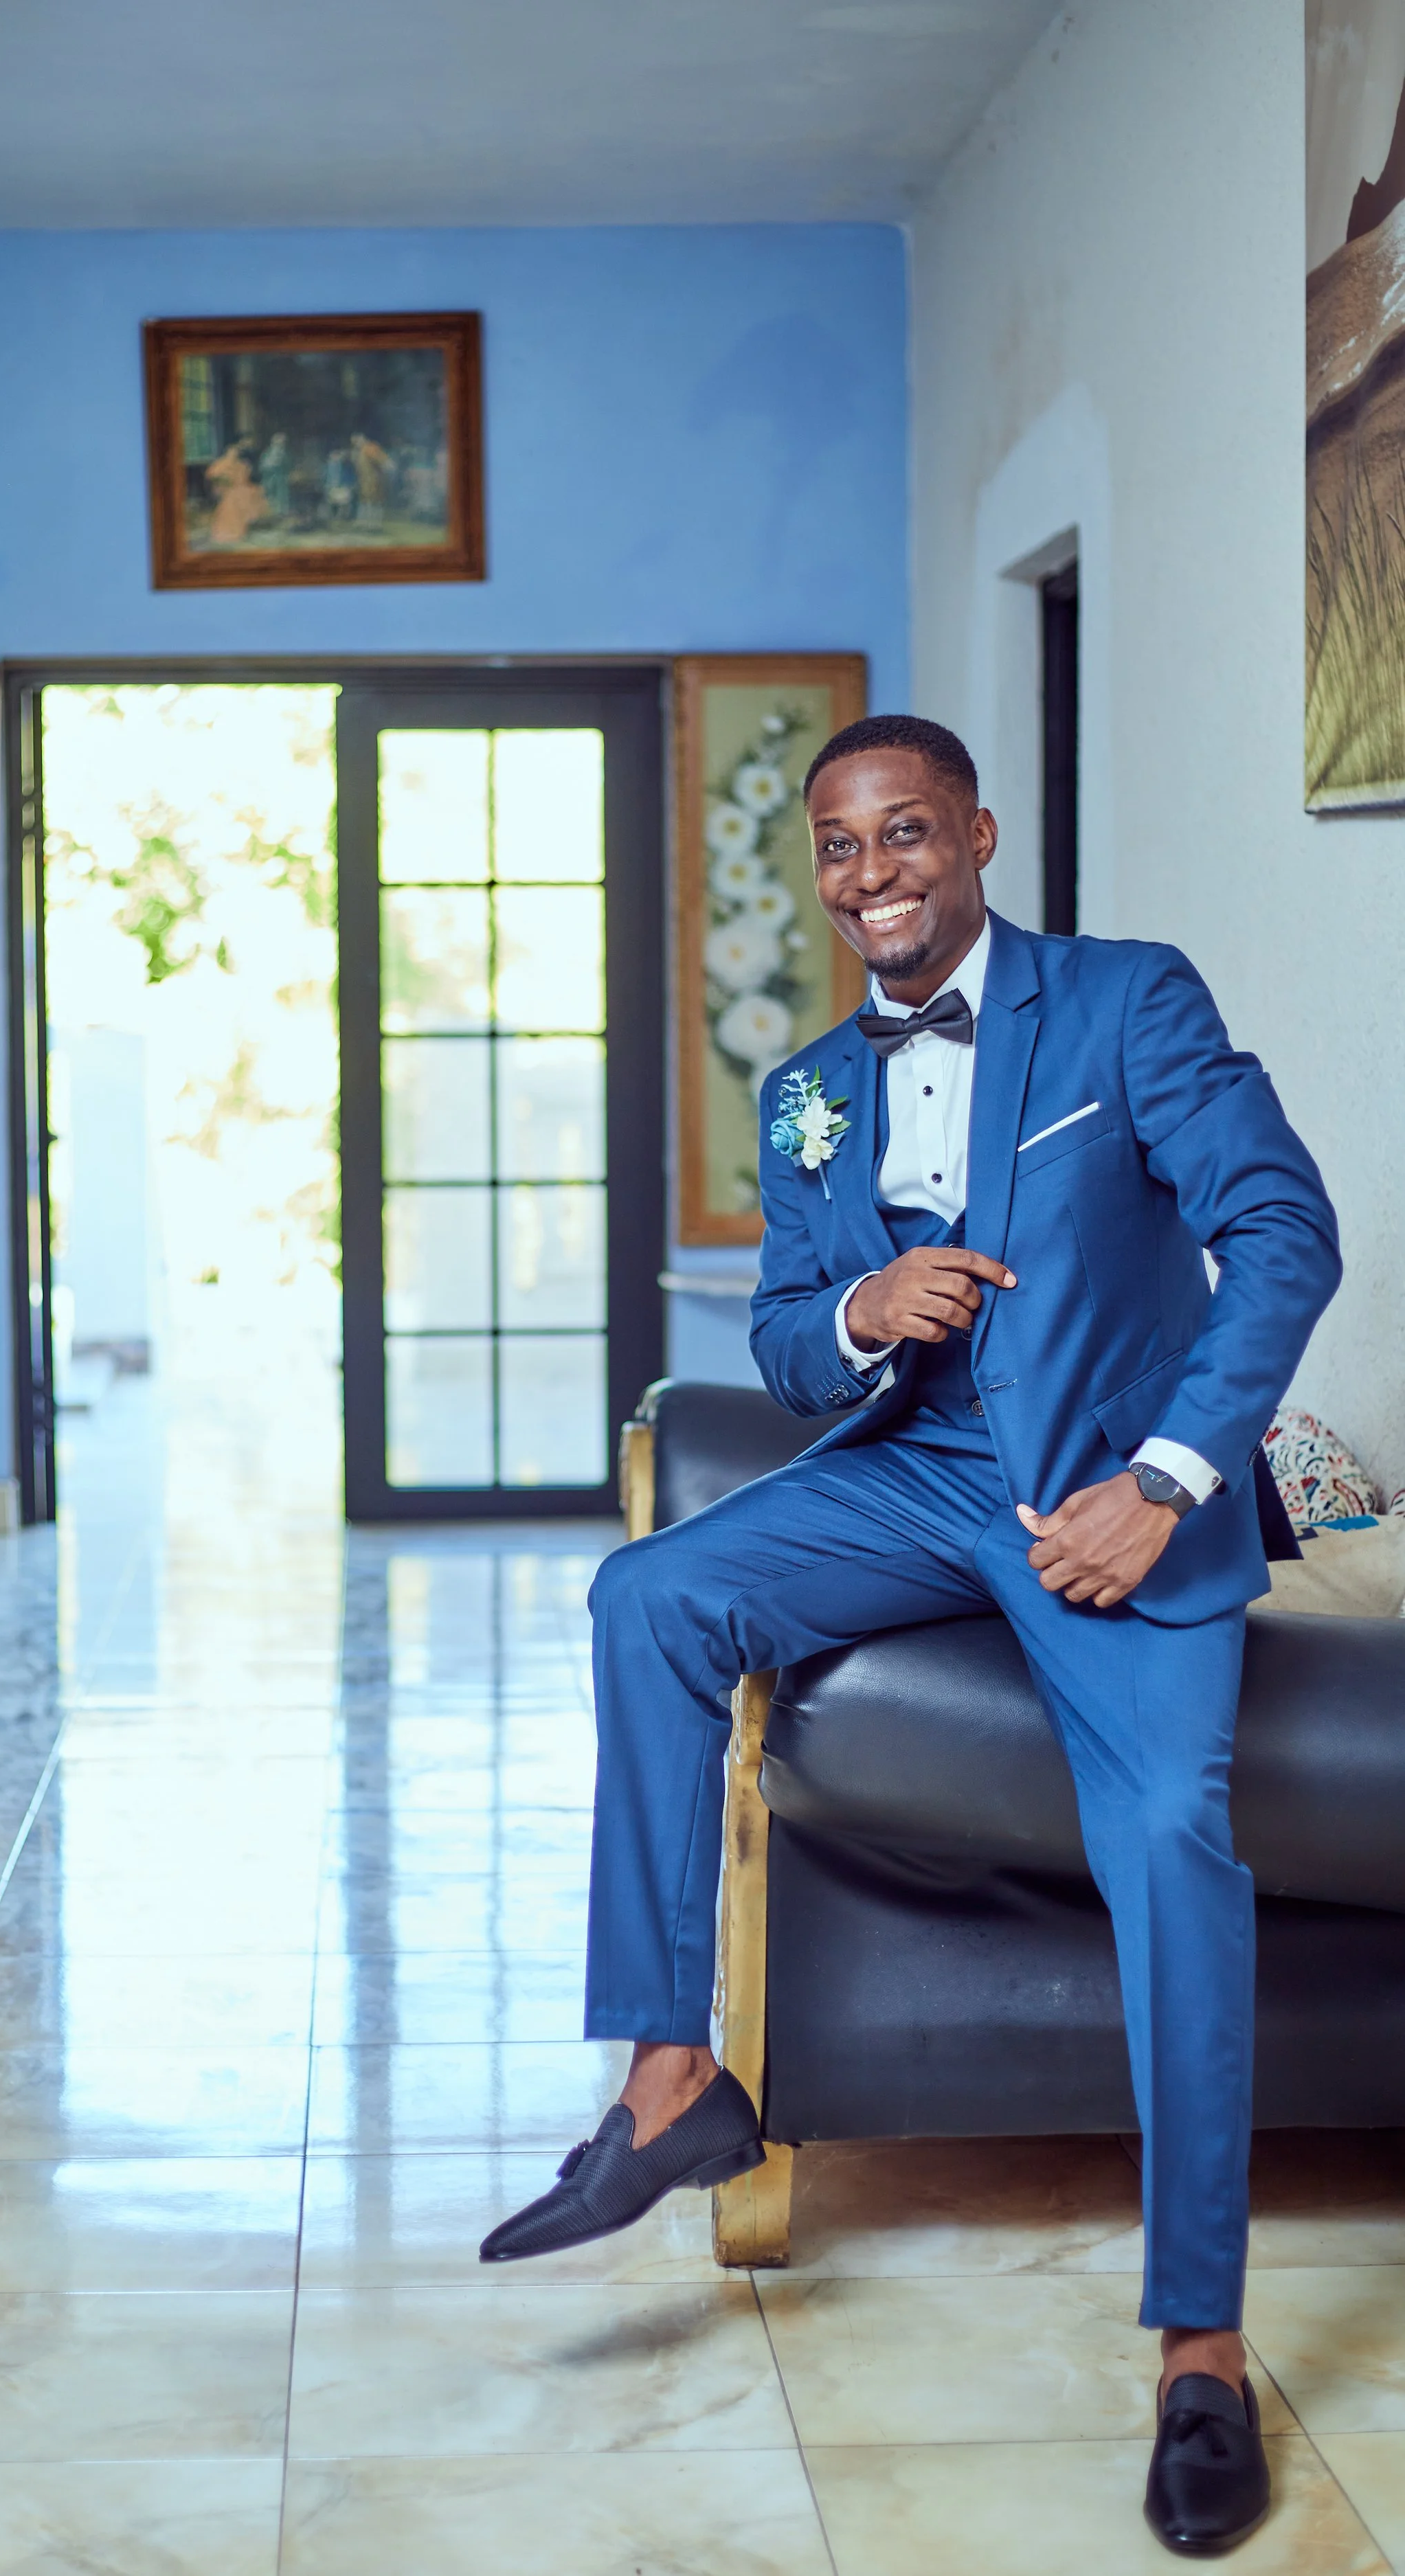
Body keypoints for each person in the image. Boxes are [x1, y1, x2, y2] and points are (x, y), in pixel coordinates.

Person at [480, 714, 1340, 2558]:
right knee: (649, 1592)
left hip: (1105, 1492)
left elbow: (1284, 1229)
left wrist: (1173, 1473)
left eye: (905, 834)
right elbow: (788, 1336)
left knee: (1174, 1844)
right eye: (837, 844)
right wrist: (861, 1300)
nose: (870, 872)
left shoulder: (1123, 1005)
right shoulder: (808, 1088)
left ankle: (1199, 2350)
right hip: (917, 1463)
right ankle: (666, 2076)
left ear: (976, 837)